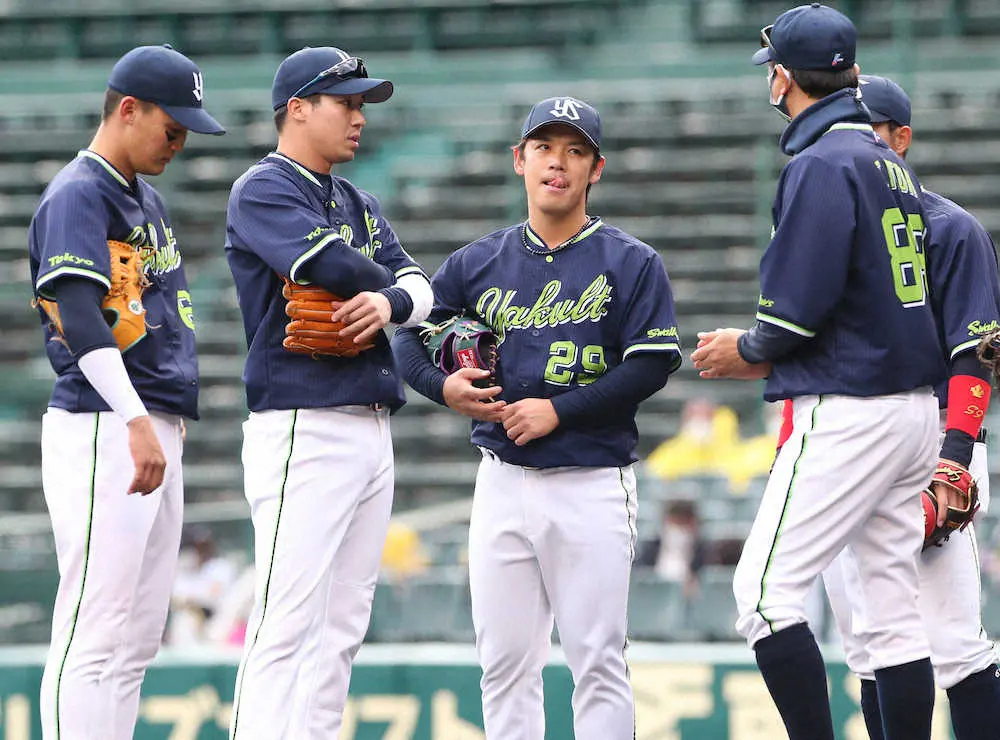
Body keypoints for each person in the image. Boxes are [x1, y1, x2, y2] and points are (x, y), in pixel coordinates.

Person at [690, 5, 948, 740]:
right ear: (851, 74)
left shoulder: (822, 163)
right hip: (912, 411)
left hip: (852, 405)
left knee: (763, 594)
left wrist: (745, 348)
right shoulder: (888, 162)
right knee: (891, 620)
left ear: (783, 78)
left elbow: (795, 315)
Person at [392, 96, 682, 740]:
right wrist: (444, 389)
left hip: (591, 478)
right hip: (501, 479)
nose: (558, 162)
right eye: (544, 148)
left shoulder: (630, 260)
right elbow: (407, 337)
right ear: (519, 160)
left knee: (598, 662)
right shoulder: (477, 262)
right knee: (503, 666)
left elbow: (652, 364)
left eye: (575, 151)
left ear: (595, 169)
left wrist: (560, 410)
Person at [224, 46, 433, 740]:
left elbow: (423, 289)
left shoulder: (358, 202)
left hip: (370, 424)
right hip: (302, 424)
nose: (359, 117)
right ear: (298, 109)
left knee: (342, 627)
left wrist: (394, 299)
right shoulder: (264, 188)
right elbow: (333, 265)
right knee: (286, 621)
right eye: (345, 103)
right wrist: (396, 294)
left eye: (361, 104)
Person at [28, 45, 225, 740]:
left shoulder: (146, 198)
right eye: (172, 127)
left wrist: (159, 417)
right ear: (129, 109)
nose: (179, 143)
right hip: (104, 421)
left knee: (137, 638)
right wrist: (137, 417)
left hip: (148, 420)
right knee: (94, 629)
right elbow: (77, 313)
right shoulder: (78, 193)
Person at [820, 75, 1000, 740]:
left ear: (901, 139)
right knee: (868, 647)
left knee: (953, 645)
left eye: (867, 132)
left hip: (930, 444)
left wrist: (954, 459)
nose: (851, 147)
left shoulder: (952, 230)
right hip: (841, 446)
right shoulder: (824, 231)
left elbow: (978, 354)